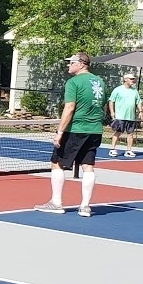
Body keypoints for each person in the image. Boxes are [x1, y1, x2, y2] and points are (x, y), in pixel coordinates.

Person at [34, 52, 106, 217]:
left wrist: (59, 132)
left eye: (71, 62)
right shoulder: (100, 82)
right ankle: (85, 206)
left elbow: (69, 107)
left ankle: (56, 202)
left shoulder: (73, 82)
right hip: (94, 130)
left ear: (81, 63)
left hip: (75, 129)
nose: (68, 65)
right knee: (88, 166)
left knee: (56, 163)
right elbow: (101, 105)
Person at [106, 73, 143, 157]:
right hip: (120, 116)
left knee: (130, 134)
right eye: (131, 79)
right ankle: (112, 149)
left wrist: (141, 111)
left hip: (131, 117)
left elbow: (138, 102)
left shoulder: (134, 91)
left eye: (133, 79)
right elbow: (111, 101)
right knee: (118, 132)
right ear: (125, 79)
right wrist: (112, 112)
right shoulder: (118, 90)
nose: (133, 80)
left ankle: (128, 150)